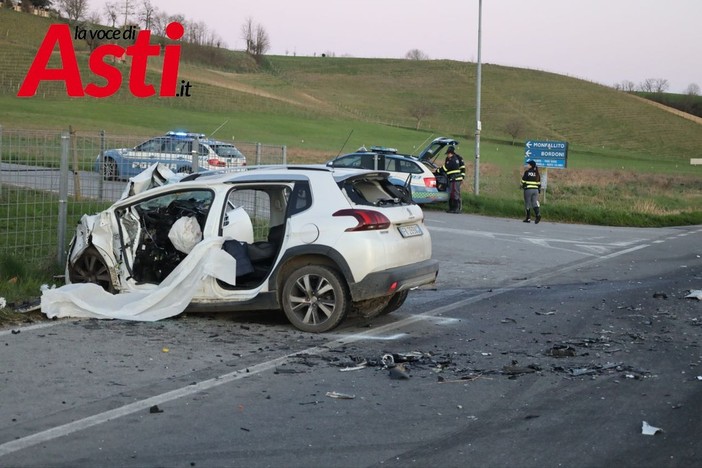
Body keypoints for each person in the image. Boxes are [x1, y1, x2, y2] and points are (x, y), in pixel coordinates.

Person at [436, 145, 465, 213]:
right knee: (454, 193)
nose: (447, 155)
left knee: (454, 193)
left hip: (455, 179)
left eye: (448, 154)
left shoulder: (452, 160)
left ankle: (455, 209)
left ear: (450, 153)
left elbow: (445, 168)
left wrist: (437, 171)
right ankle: (454, 208)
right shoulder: (455, 158)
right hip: (454, 179)